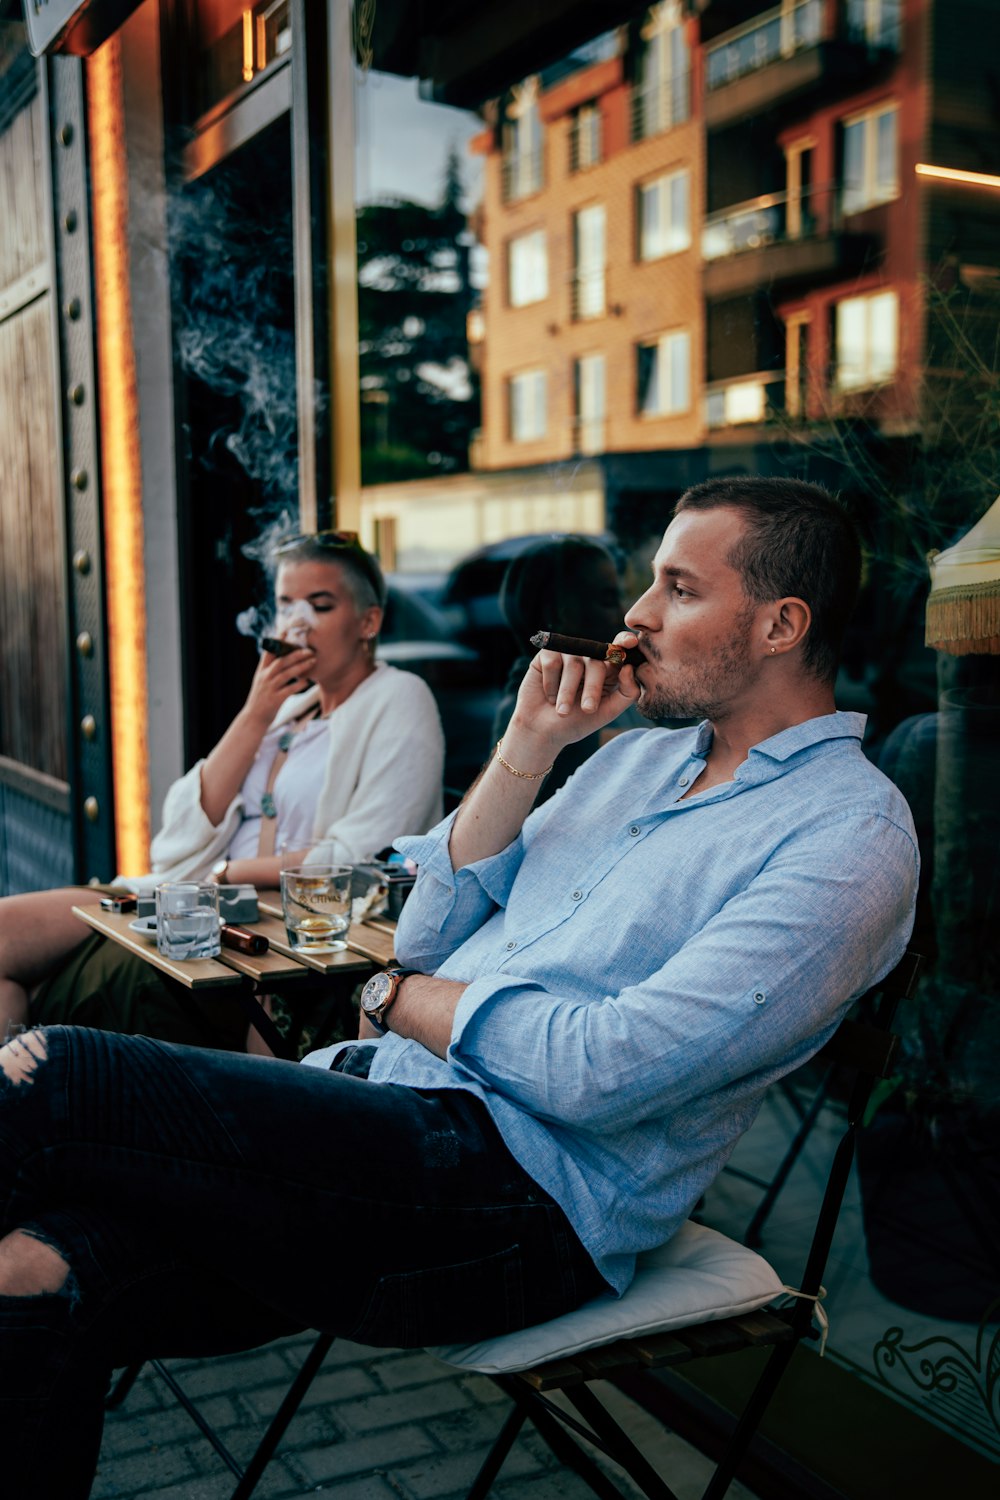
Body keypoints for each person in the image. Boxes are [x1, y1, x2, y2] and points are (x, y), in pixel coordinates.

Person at [0, 478, 918, 1499]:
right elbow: (427, 926)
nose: (635, 615)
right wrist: (526, 753)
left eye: (677, 590)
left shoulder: (847, 837)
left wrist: (401, 1003)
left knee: (55, 1074)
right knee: (35, 1272)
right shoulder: (629, 764)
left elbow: (603, 1069)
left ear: (781, 624)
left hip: (513, 1206)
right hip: (375, 1127)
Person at [0, 531, 444, 1051]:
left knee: (42, 989)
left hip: (259, 923)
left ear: (368, 622)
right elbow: (178, 839)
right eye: (285, 605)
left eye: (319, 606)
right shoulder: (285, 711)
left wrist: (226, 874)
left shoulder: (399, 698)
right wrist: (255, 712)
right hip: (185, 894)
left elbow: (358, 859)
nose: (297, 622)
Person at [491, 534, 648, 799]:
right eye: (608, 600)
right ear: (559, 614)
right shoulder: (536, 709)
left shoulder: (618, 682)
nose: (626, 613)